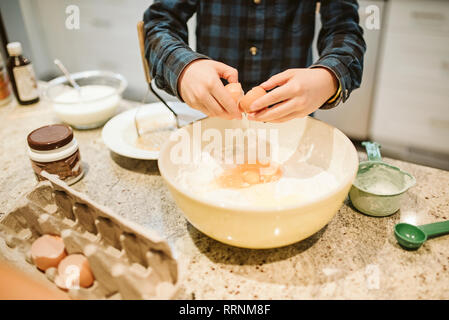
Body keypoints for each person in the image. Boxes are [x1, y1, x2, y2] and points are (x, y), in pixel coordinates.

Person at [143, 0, 365, 123]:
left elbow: (345, 30)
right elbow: (160, 22)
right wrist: (184, 68)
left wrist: (328, 77)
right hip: (212, 119)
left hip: (291, 124)